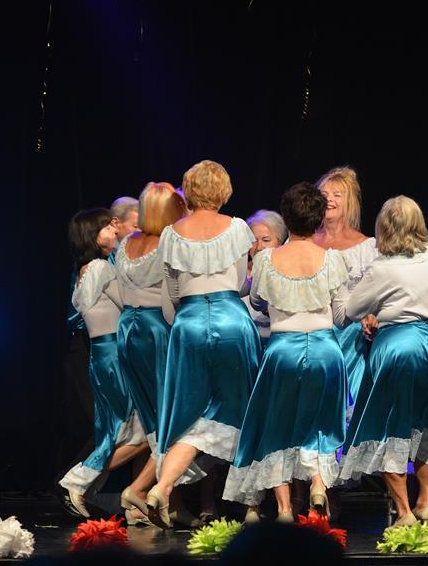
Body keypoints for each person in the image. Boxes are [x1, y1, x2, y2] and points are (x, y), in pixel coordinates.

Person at [334, 196, 428, 526]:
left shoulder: (383, 267)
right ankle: (425, 501)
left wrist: (340, 286)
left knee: (388, 425)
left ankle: (405, 511)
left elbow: (348, 313)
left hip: (402, 346)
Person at [145, 161, 261, 529]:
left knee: (189, 414)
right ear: (223, 191)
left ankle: (163, 485)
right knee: (243, 410)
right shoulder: (238, 228)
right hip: (231, 320)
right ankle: (251, 506)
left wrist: (184, 320)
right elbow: (240, 284)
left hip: (189, 323)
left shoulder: (171, 234)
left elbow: (170, 296)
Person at [223, 183, 349, 521]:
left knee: (276, 427)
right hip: (325, 349)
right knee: (321, 424)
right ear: (319, 220)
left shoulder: (266, 259)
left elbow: (258, 302)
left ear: (286, 218)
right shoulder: (332, 259)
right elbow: (341, 315)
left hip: (283, 350)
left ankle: (283, 508)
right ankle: (318, 483)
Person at [59, 208, 145, 517]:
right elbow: (132, 305)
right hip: (113, 354)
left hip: (102, 354)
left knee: (117, 429)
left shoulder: (86, 269)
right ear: (93, 236)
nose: (115, 231)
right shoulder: (101, 268)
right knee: (144, 431)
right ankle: (80, 479)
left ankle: (90, 487)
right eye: (108, 227)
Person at [114, 182, 186, 525]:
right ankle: (144, 491)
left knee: (150, 416)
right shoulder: (169, 242)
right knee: (169, 417)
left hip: (128, 328)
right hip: (157, 328)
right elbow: (173, 296)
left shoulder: (127, 242)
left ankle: (152, 499)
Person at [314, 167, 379, 410]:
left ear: (349, 202)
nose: (329, 199)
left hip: (350, 341)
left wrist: (371, 317)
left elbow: (375, 293)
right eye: (324, 194)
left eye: (337, 195)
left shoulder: (367, 247)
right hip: (311, 332)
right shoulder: (303, 240)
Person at [243, 209, 287, 340]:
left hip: (279, 341)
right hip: (247, 342)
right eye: (254, 241)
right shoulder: (240, 274)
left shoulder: (288, 275)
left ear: (279, 243)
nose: (259, 247)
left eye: (266, 240)